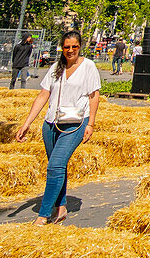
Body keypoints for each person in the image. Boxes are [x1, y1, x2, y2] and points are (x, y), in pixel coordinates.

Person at [15, 30, 101, 225]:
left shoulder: (88, 66)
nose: (70, 51)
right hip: (51, 123)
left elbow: (93, 96)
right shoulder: (56, 67)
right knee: (57, 167)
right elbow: (43, 95)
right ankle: (60, 207)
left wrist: (91, 123)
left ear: (80, 47)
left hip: (75, 123)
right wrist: (27, 123)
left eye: (74, 47)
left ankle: (43, 214)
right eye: (67, 47)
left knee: (55, 166)